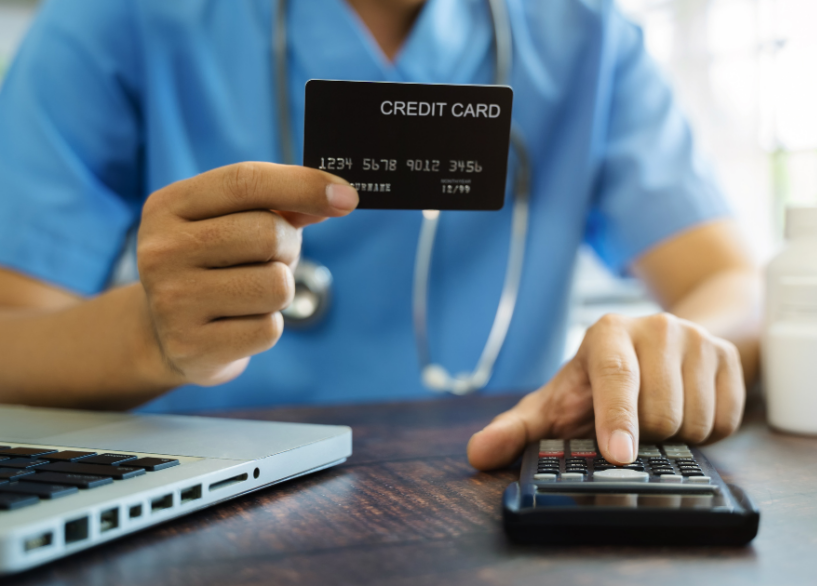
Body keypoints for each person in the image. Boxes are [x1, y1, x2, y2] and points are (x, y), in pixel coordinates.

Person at [0, 0, 760, 471]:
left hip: (488, 485)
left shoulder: (587, 32)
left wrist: (665, 350)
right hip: (207, 497)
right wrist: (150, 335)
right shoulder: (115, 18)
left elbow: (738, 287)